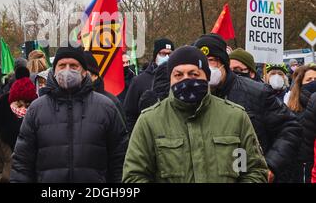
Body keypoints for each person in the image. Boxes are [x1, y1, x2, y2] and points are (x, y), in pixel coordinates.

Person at [123, 46, 268, 183]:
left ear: (207, 76)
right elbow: (134, 176)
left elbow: (253, 171)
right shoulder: (149, 122)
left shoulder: (235, 117)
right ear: (170, 79)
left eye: (194, 74)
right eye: (178, 75)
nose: (186, 79)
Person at [10, 45, 128, 183]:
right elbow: (22, 164)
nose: (67, 70)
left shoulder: (106, 107)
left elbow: (120, 160)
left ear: (84, 71)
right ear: (54, 70)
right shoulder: (36, 110)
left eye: (73, 65)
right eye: (62, 65)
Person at [193, 33, 301, 183]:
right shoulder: (193, 97)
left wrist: (270, 165)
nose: (207, 67)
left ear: (223, 62)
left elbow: (290, 128)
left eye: (211, 60)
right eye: (202, 62)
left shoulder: (257, 92)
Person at [123, 38, 175, 134]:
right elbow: (130, 114)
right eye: (163, 54)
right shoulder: (139, 81)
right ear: (155, 55)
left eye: (170, 54)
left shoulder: (177, 78)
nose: (167, 57)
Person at [284, 64, 316, 182]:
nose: (313, 82)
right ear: (300, 84)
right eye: (309, 80)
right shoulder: (291, 112)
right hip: (301, 168)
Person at [83, 51, 127, 126]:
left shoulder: (111, 102)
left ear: (95, 76)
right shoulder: (68, 100)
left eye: (85, 73)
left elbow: (121, 134)